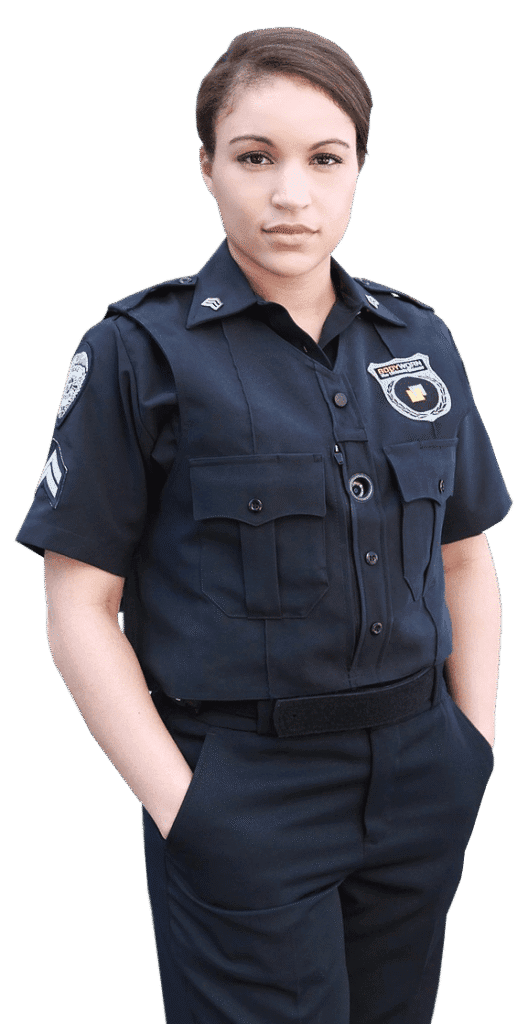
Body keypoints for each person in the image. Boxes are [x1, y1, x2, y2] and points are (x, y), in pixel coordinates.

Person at [15, 26, 512, 1024]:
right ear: (206, 166)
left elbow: (466, 558)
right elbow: (78, 606)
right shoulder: (138, 354)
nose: (291, 194)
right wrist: (186, 808)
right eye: (254, 157)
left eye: (325, 158)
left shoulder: (419, 341)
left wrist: (473, 744)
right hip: (244, 789)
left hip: (421, 777)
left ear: (359, 167)